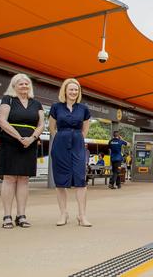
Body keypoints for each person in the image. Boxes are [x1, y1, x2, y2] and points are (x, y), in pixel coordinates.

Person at [0, 74, 45, 229]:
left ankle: (21, 215)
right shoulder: (8, 99)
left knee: (24, 179)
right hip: (10, 142)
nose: (24, 86)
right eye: (20, 84)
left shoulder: (36, 103)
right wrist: (19, 137)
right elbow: (1, 121)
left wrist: (31, 138)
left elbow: (41, 124)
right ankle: (7, 216)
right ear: (14, 86)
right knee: (9, 178)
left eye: (26, 83)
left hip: (29, 144)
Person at [49, 78, 92, 227]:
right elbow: (52, 128)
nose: (73, 92)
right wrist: (62, 138)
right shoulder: (56, 107)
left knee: (80, 179)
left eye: (76, 90)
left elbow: (85, 128)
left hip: (77, 144)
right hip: (60, 144)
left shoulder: (83, 109)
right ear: (65, 91)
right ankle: (63, 213)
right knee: (61, 181)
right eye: (71, 89)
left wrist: (78, 139)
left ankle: (82, 215)